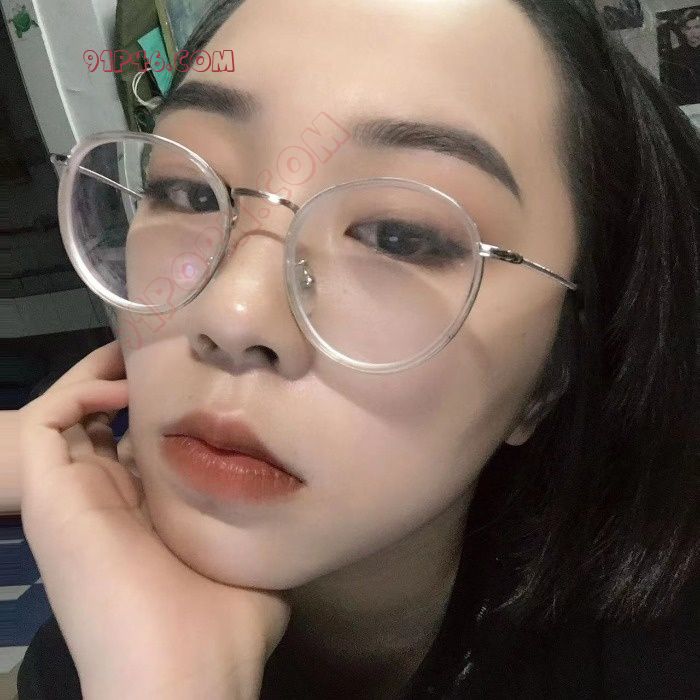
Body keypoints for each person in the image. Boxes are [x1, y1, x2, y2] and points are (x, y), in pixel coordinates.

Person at [15, 0, 699, 698]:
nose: (232, 312)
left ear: (554, 368)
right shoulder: (103, 647)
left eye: (399, 237)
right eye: (188, 192)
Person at [660, 8, 700, 106]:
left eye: (697, 27)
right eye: (688, 28)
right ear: (683, 31)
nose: (693, 32)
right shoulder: (674, 55)